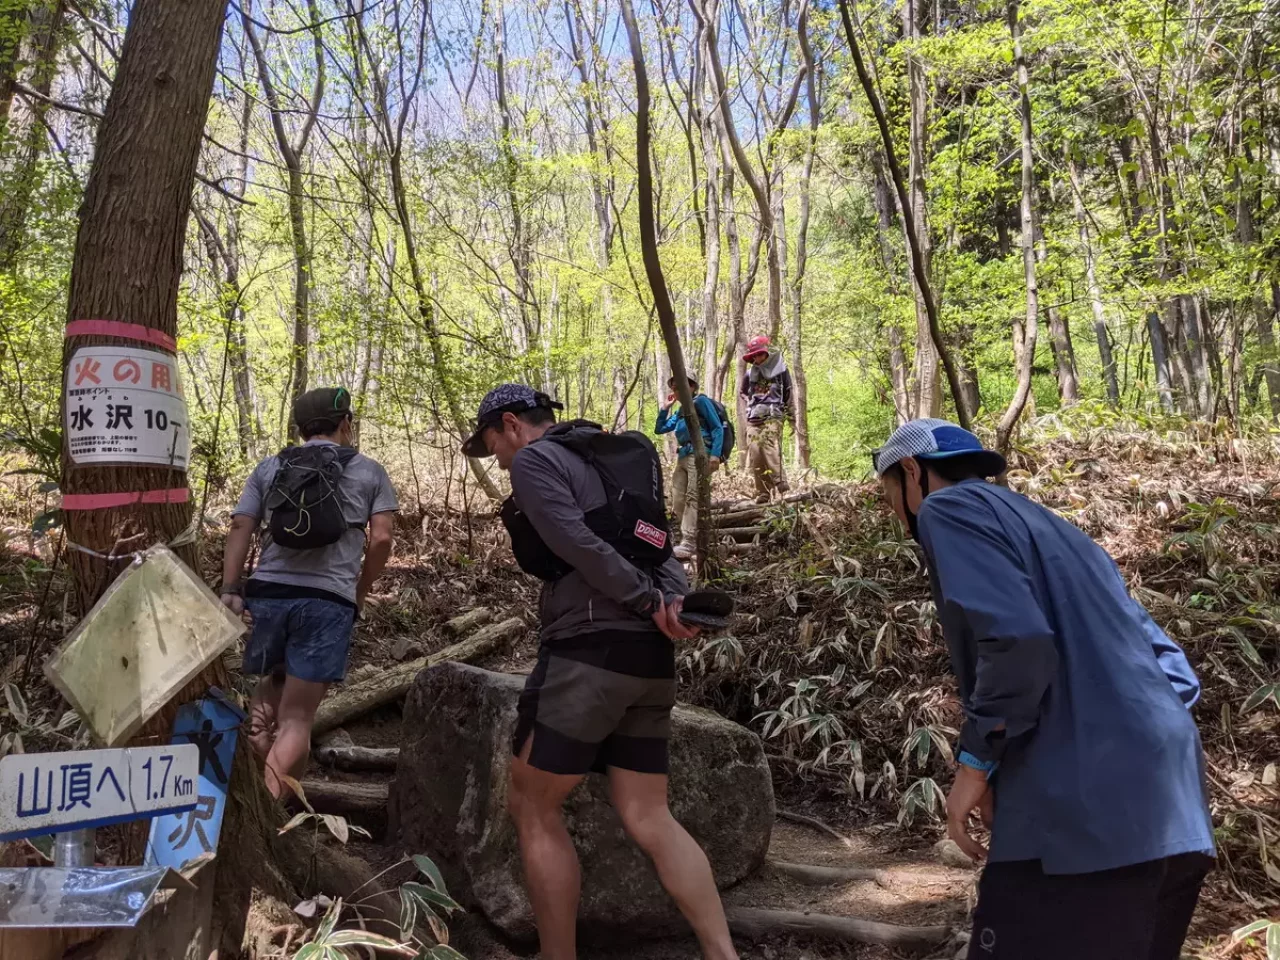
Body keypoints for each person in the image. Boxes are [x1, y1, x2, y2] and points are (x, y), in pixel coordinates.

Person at [872, 418, 1215, 960]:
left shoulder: (948, 509)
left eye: (889, 492)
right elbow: (1175, 672)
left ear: (912, 471)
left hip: (1082, 821)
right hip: (1176, 806)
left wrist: (975, 766)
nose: (894, 510)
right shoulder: (1058, 530)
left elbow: (1018, 639)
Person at [461, 383, 739, 960]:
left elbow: (575, 541)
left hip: (588, 649)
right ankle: (722, 954)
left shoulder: (537, 460)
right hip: (648, 657)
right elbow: (657, 545)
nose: (500, 459)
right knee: (648, 813)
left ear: (511, 424)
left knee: (532, 805)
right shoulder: (613, 460)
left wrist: (642, 600)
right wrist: (671, 605)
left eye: (494, 446)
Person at [220, 387, 397, 799]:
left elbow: (240, 527)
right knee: (296, 720)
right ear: (345, 424)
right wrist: (360, 589)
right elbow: (383, 538)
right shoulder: (370, 471)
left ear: (300, 429)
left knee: (262, 713)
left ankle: (252, 806)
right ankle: (270, 817)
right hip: (327, 602)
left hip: (267, 596)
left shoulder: (269, 467)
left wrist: (231, 587)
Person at [655, 376, 726, 561]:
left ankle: (689, 542)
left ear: (692, 387)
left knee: (694, 497)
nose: (675, 389)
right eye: (673, 386)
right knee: (677, 497)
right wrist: (665, 408)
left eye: (679, 385)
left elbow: (717, 428)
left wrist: (715, 455)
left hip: (700, 453)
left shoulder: (700, 402)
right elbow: (660, 428)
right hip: (683, 456)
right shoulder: (680, 412)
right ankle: (683, 536)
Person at [739, 334, 793, 503]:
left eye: (759, 354)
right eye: (754, 355)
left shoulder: (781, 370)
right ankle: (763, 492)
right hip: (754, 418)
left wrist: (790, 416)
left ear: (767, 353)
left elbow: (788, 392)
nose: (757, 358)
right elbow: (742, 391)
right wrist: (749, 402)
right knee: (756, 453)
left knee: (769, 445)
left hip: (773, 415)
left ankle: (780, 481)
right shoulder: (749, 374)